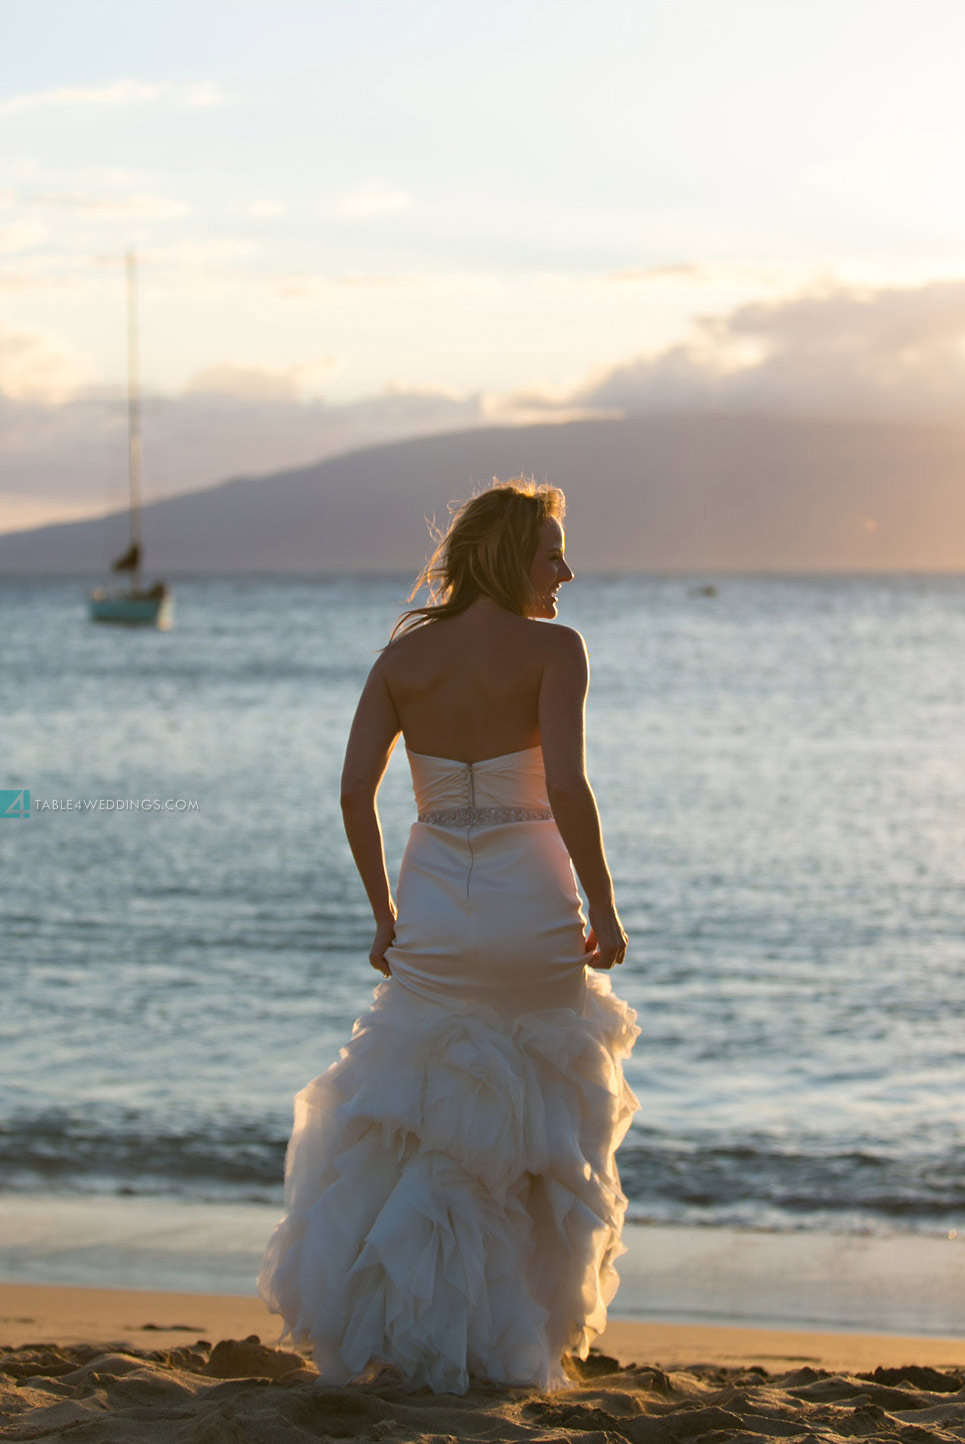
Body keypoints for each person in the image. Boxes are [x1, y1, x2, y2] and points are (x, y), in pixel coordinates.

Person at [258, 479, 638, 1394]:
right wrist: (605, 904)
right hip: (530, 910)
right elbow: (568, 791)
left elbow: (354, 793)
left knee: (418, 1120)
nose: (567, 572)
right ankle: (505, 1344)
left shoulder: (402, 661)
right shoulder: (555, 649)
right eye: (553, 555)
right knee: (532, 1121)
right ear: (513, 557)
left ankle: (400, 1330)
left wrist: (382, 914)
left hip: (432, 907)